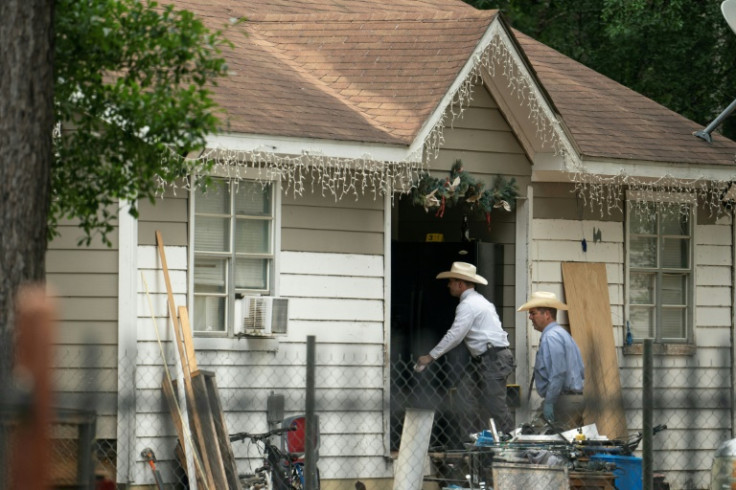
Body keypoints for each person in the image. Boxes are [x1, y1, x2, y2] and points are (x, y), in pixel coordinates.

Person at [415, 262, 515, 435]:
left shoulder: (468, 305)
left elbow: (455, 335)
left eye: (451, 281)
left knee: (495, 405)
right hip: (485, 358)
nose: (448, 285)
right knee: (465, 397)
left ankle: (512, 438)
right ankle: (476, 440)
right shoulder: (478, 301)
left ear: (460, 284)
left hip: (492, 358)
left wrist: (430, 356)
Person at [518, 291, 585, 430]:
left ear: (547, 314)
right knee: (568, 443)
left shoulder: (551, 337)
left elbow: (559, 372)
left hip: (562, 401)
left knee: (541, 437)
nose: (530, 317)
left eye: (533, 313)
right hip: (571, 399)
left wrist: (550, 402)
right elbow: (581, 369)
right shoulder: (562, 334)